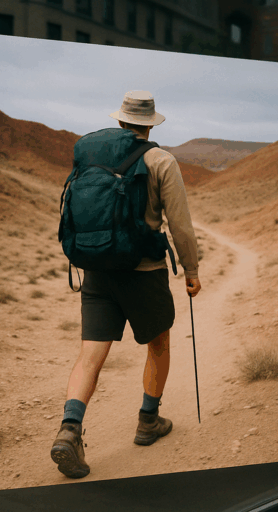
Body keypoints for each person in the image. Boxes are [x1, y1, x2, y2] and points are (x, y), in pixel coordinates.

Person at [50, 90, 202, 479]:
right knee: (159, 343)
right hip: (144, 271)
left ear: (120, 121)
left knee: (90, 354)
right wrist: (191, 270)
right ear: (150, 125)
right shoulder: (160, 159)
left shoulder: (91, 154)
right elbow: (180, 225)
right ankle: (148, 421)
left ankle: (70, 429)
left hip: (98, 270)